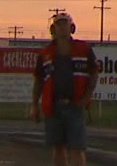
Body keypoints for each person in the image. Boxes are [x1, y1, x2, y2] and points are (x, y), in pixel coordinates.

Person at [32, 13, 100, 166]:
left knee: (77, 148)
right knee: (58, 148)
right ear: (53, 28)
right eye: (58, 24)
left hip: (75, 105)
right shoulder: (45, 53)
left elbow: (94, 73)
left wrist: (86, 97)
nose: (62, 28)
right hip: (53, 106)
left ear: (72, 27)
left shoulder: (84, 49)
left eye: (65, 24)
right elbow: (38, 80)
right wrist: (34, 105)